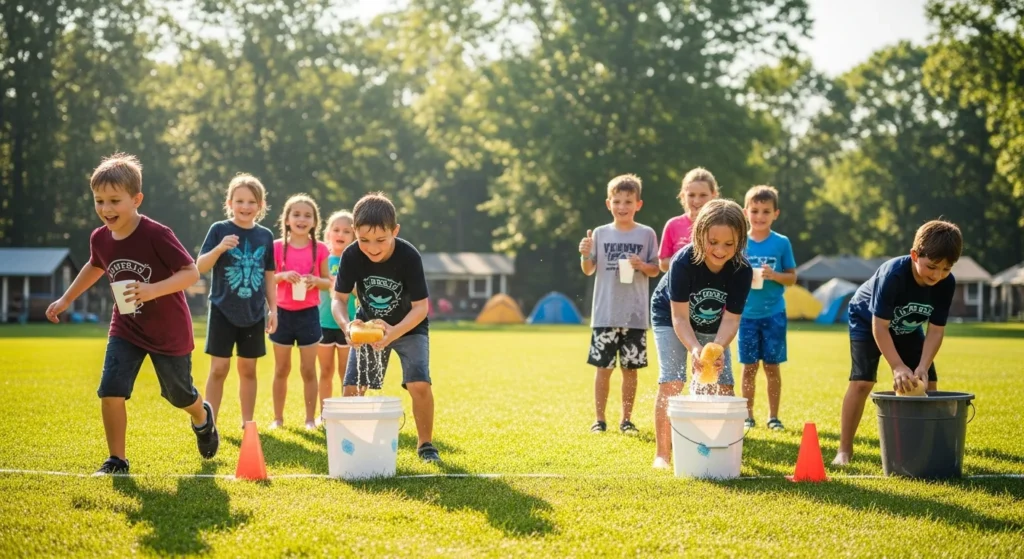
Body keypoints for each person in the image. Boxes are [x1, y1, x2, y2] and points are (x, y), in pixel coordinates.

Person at [45, 153, 218, 474]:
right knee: (111, 388)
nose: (106, 209)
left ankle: (201, 416)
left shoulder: (156, 234)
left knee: (179, 395)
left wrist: (152, 290)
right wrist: (66, 299)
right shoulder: (100, 237)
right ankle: (117, 460)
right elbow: (94, 266)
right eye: (99, 201)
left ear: (136, 199)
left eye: (114, 201)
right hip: (126, 327)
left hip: (168, 330)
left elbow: (191, 273)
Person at [832, 220, 962, 466]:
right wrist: (898, 366)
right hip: (866, 319)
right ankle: (844, 450)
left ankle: (926, 449)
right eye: (932, 266)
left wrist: (922, 366)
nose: (937, 275)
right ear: (915, 255)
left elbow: (936, 330)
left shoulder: (947, 283)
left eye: (946, 269)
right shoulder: (893, 274)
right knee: (862, 382)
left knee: (929, 384)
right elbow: (879, 327)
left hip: (907, 326)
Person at [330, 192, 440, 462]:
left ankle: (426, 445)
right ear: (355, 232)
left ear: (395, 231)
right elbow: (339, 300)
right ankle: (353, 443)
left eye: (381, 239)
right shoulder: (351, 255)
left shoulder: (408, 256)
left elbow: (421, 308)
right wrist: (347, 326)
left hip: (409, 326)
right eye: (364, 239)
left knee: (419, 383)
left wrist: (393, 332)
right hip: (369, 326)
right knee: (353, 387)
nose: (373, 247)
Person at [650, 199, 752, 469]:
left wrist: (715, 349)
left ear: (740, 240)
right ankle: (663, 453)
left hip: (714, 323)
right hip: (669, 315)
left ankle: (721, 448)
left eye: (729, 244)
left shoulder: (742, 271)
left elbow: (731, 320)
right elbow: (680, 318)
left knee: (725, 384)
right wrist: (696, 349)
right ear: (699, 234)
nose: (720, 250)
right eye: (713, 242)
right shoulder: (683, 263)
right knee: (672, 381)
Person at [578, 174, 659, 435]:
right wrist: (585, 253)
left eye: (628, 201)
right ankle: (599, 420)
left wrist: (641, 265)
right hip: (605, 314)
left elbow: (655, 270)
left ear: (639, 204)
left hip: (634, 315)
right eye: (617, 201)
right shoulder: (600, 234)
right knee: (603, 369)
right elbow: (588, 269)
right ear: (608, 203)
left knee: (630, 370)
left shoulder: (646, 234)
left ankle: (626, 420)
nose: (622, 206)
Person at [196, 173, 277, 429]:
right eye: (239, 201)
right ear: (229, 203)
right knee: (219, 369)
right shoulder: (219, 230)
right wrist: (220, 248)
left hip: (253, 313)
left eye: (251, 201)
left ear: (260, 206)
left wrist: (273, 309)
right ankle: (211, 423)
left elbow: (268, 276)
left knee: (248, 370)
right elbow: (200, 266)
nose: (245, 206)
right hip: (222, 310)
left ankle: (247, 423)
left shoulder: (265, 236)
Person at [738, 185, 797, 430]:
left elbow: (792, 277)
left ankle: (773, 417)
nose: (760, 216)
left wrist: (774, 275)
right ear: (745, 212)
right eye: (755, 211)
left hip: (774, 314)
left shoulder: (781, 243)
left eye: (766, 211)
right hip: (745, 315)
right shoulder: (740, 242)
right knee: (749, 367)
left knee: (771, 366)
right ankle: (747, 416)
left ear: (776, 214)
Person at [271, 194, 330, 430]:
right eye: (296, 214)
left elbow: (329, 282)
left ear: (315, 222)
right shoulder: (276, 247)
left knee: (308, 369)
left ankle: (309, 419)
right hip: (282, 314)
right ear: (286, 219)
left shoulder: (321, 249)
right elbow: (268, 279)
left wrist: (315, 280)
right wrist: (283, 276)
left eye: (307, 215)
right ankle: (278, 418)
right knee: (281, 369)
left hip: (308, 315)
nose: (301, 219)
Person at [315, 210, 357, 426]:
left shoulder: (355, 260)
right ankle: (324, 413)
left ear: (354, 236)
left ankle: (348, 412)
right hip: (323, 323)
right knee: (326, 371)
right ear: (328, 233)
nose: (341, 234)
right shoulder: (322, 259)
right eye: (336, 230)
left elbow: (359, 291)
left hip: (348, 325)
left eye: (347, 231)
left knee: (346, 372)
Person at [658, 168, 718, 272]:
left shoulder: (721, 225)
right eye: (691, 195)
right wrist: (685, 262)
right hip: (679, 285)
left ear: (713, 195)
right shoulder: (673, 225)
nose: (697, 201)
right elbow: (663, 264)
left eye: (703, 195)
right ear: (683, 195)